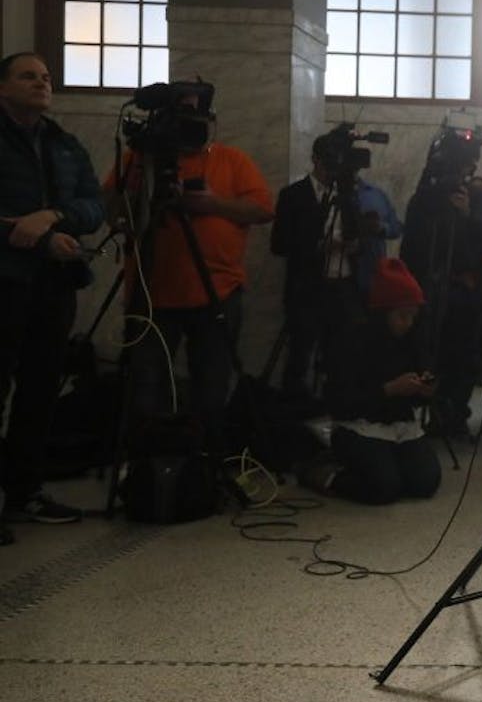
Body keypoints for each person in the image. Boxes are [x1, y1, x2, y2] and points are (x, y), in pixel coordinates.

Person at [108, 89, 274, 458]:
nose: (191, 132)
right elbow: (113, 214)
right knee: (146, 382)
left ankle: (207, 461)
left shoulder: (231, 160)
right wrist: (142, 184)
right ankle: (143, 465)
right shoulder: (139, 160)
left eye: (199, 124)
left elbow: (263, 209)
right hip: (153, 292)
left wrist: (214, 204)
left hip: (218, 289)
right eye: (183, 123)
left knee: (212, 381)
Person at [0, 52, 104, 530]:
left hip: (53, 286)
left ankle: (25, 492)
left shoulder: (64, 143)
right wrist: (37, 235)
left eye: (45, 77)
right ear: (3, 88)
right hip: (6, 280)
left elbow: (93, 205)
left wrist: (55, 217)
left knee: (40, 393)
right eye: (28, 76)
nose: (41, 83)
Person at [271, 131, 403, 398]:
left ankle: (336, 411)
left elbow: (363, 234)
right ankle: (293, 414)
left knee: (342, 356)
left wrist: (357, 242)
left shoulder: (349, 196)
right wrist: (318, 246)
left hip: (344, 288)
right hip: (306, 290)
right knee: (300, 356)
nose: (332, 169)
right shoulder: (293, 195)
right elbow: (279, 244)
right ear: (314, 160)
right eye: (327, 162)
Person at [300, 258, 441, 505]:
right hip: (358, 425)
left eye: (412, 316)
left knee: (425, 482)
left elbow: (421, 382)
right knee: (383, 488)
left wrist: (426, 389)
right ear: (383, 313)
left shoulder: (412, 340)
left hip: (399, 424)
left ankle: (389, 463)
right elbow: (341, 402)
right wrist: (388, 390)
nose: (408, 323)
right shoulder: (353, 341)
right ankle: (324, 473)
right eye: (402, 316)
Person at [401, 132, 482, 438]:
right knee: (430, 352)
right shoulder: (427, 197)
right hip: (432, 288)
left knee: (464, 355)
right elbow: (413, 245)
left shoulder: (477, 195)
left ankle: (455, 413)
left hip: (465, 292)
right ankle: (434, 409)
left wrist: (467, 215)